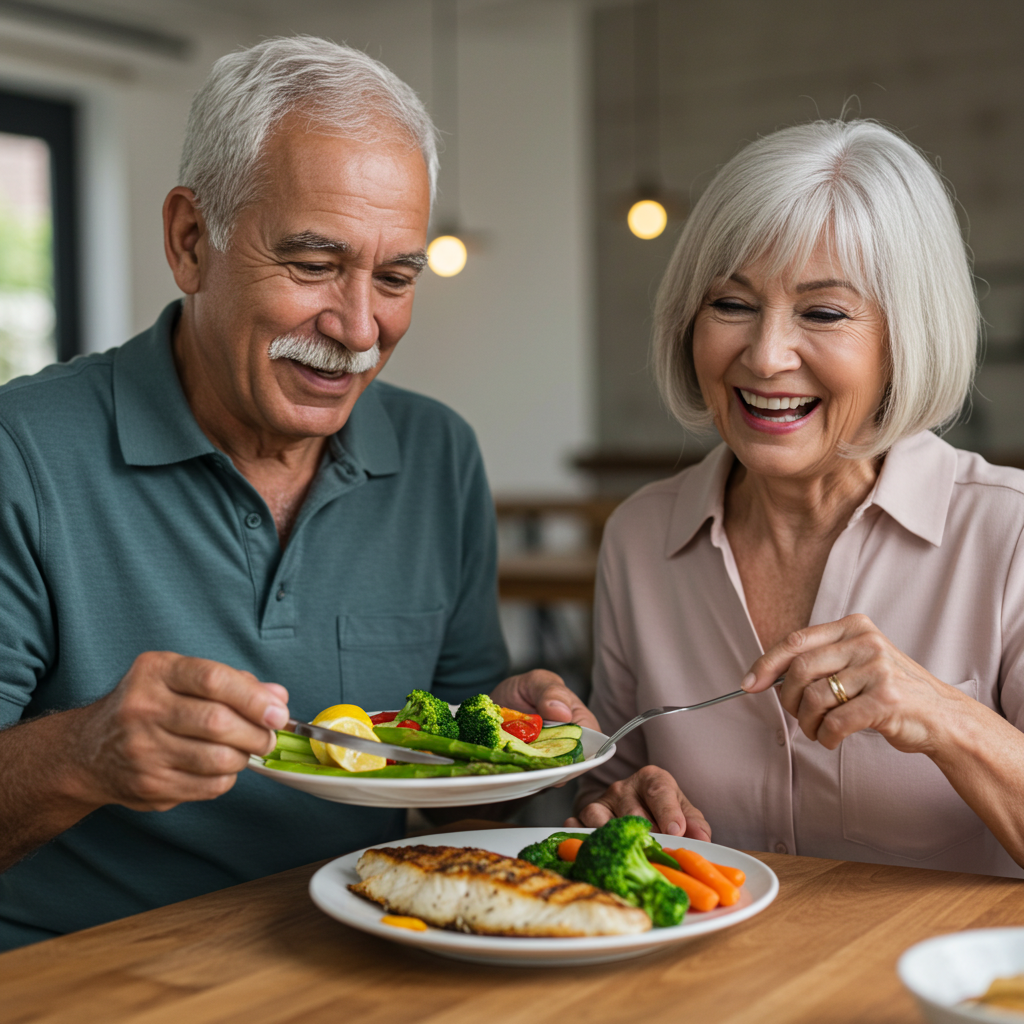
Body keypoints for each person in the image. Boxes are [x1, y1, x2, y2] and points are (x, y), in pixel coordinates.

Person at [0, 36, 595, 951]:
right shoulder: (21, 451)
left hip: (360, 961)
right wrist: (86, 755)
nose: (360, 328)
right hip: (83, 980)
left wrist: (515, 756)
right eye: (314, 264)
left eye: (395, 277)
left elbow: (457, 820)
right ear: (191, 241)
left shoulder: (439, 454)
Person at [571, 118, 1024, 878]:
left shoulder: (1008, 533)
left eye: (823, 312)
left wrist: (946, 717)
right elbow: (605, 788)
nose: (765, 354)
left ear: (903, 340)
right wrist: (616, 802)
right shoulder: (641, 536)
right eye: (732, 304)